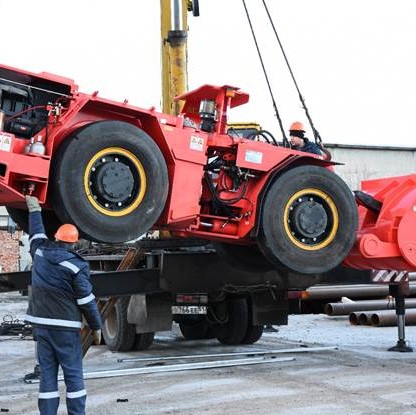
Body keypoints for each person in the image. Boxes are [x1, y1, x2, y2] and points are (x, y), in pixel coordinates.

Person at [24, 195, 102, 415]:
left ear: (56, 238)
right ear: (74, 243)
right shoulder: (76, 266)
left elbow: (36, 233)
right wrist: (96, 326)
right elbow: (86, 300)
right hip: (66, 328)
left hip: (41, 326)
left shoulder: (39, 252)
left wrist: (34, 210)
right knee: (73, 374)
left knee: (47, 374)